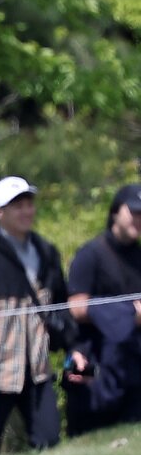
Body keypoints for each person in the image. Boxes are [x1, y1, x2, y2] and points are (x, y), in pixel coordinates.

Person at [0, 176, 76, 455]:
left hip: (38, 367)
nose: (26, 211)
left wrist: (72, 347)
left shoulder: (46, 251)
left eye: (29, 204)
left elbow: (61, 304)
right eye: (17, 206)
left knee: (49, 441)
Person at [64, 183, 141, 435]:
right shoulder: (91, 254)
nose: (139, 219)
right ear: (115, 212)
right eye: (134, 212)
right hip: (96, 362)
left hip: (133, 363)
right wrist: (128, 313)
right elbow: (75, 307)